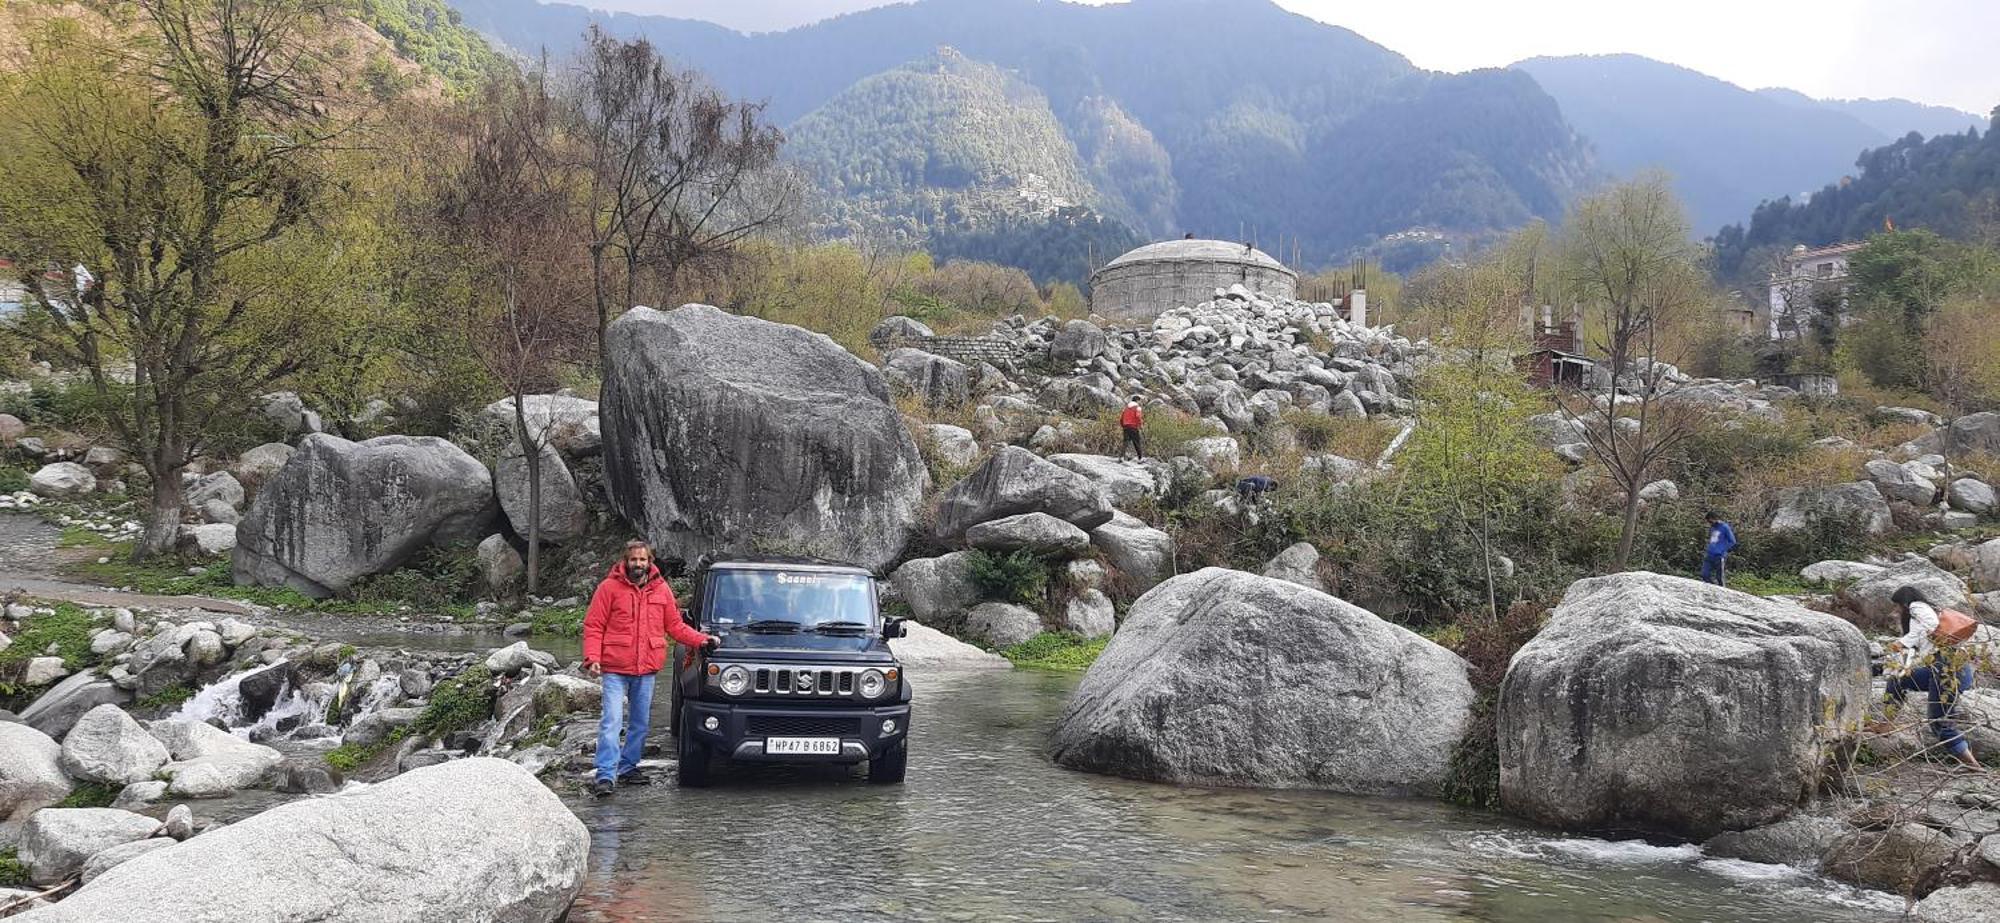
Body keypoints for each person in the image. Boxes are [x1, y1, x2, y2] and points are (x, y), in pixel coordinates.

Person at [584, 540, 719, 796]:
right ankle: (605, 776)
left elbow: (676, 627)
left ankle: (628, 767)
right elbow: (594, 626)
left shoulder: (662, 591)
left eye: (642, 560)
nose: (638, 564)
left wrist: (703, 640)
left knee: (640, 723)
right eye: (634, 559)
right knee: (612, 721)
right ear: (626, 561)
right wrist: (592, 658)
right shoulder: (608, 588)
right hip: (614, 667)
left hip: (646, 668)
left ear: (650, 562)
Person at [1884, 586, 1983, 770]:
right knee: (1898, 680)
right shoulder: (1922, 613)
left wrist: (1902, 642)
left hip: (1948, 668)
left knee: (1940, 722)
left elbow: (1929, 625)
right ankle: (1887, 724)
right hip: (1947, 668)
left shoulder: (1916, 607)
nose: (1896, 611)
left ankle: (1974, 766)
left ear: (1904, 602)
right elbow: (1916, 647)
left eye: (1897, 606)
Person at [1699, 511, 1736, 586]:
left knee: (1719, 577)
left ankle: (1722, 591)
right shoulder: (1712, 528)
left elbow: (1732, 541)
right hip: (1709, 554)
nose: (1709, 523)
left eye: (1710, 521)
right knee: (1704, 574)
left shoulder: (1724, 527)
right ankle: (1712, 588)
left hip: (1719, 556)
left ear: (1714, 519)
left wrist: (1722, 549)